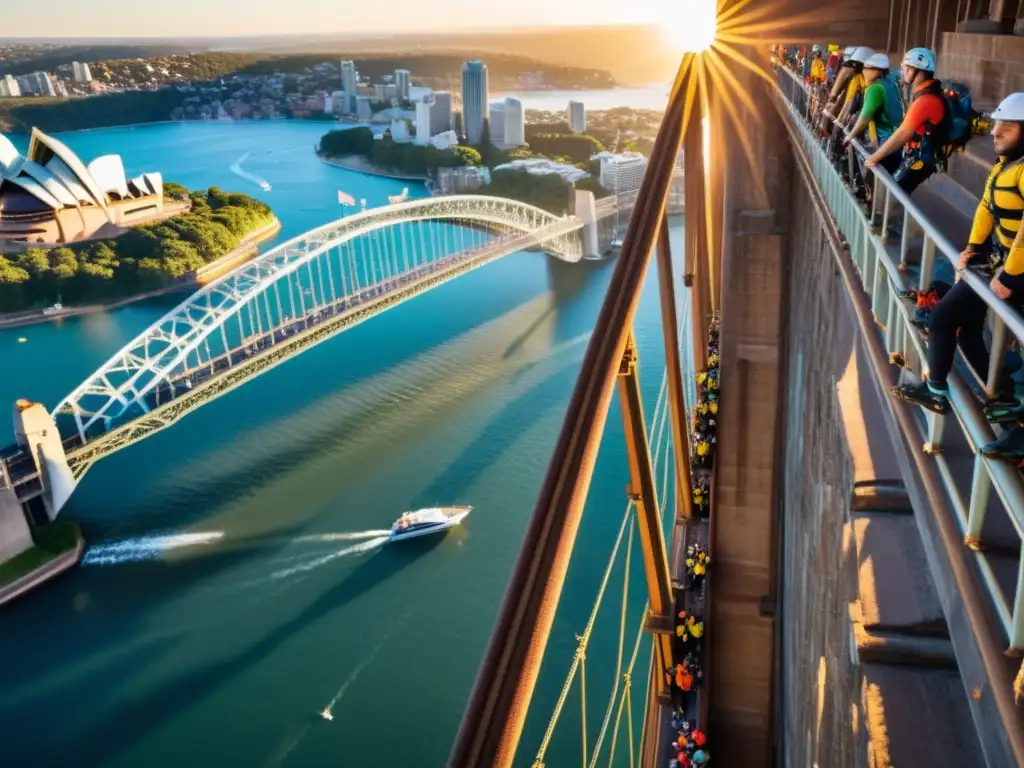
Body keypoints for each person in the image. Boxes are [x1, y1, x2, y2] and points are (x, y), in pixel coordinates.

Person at [892, 92, 1024, 414]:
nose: (995, 132)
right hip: (999, 260)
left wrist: (1009, 276)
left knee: (943, 317)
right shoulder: (1007, 165)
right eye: (996, 125)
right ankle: (1001, 396)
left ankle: (940, 391)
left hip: (1015, 271)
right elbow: (985, 208)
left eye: (1007, 126)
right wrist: (972, 248)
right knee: (964, 328)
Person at [865, 48, 945, 194]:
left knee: (894, 194)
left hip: (921, 159)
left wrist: (873, 158)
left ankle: (887, 216)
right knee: (892, 186)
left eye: (907, 67)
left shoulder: (926, 100)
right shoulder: (923, 92)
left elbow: (902, 134)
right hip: (916, 154)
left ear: (919, 71)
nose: (903, 71)